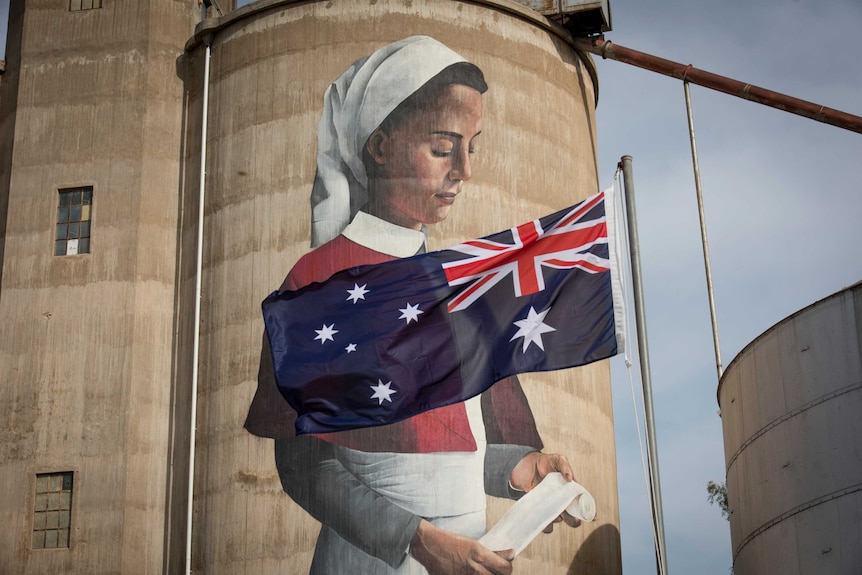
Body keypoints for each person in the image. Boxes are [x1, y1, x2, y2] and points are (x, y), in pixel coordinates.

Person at [245, 36, 579, 575]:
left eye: (474, 146)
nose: (464, 170)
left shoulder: (461, 287)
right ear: (379, 146)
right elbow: (305, 465)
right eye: (443, 147)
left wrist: (522, 469)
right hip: (370, 562)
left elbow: (451, 448)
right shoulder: (317, 283)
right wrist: (422, 542)